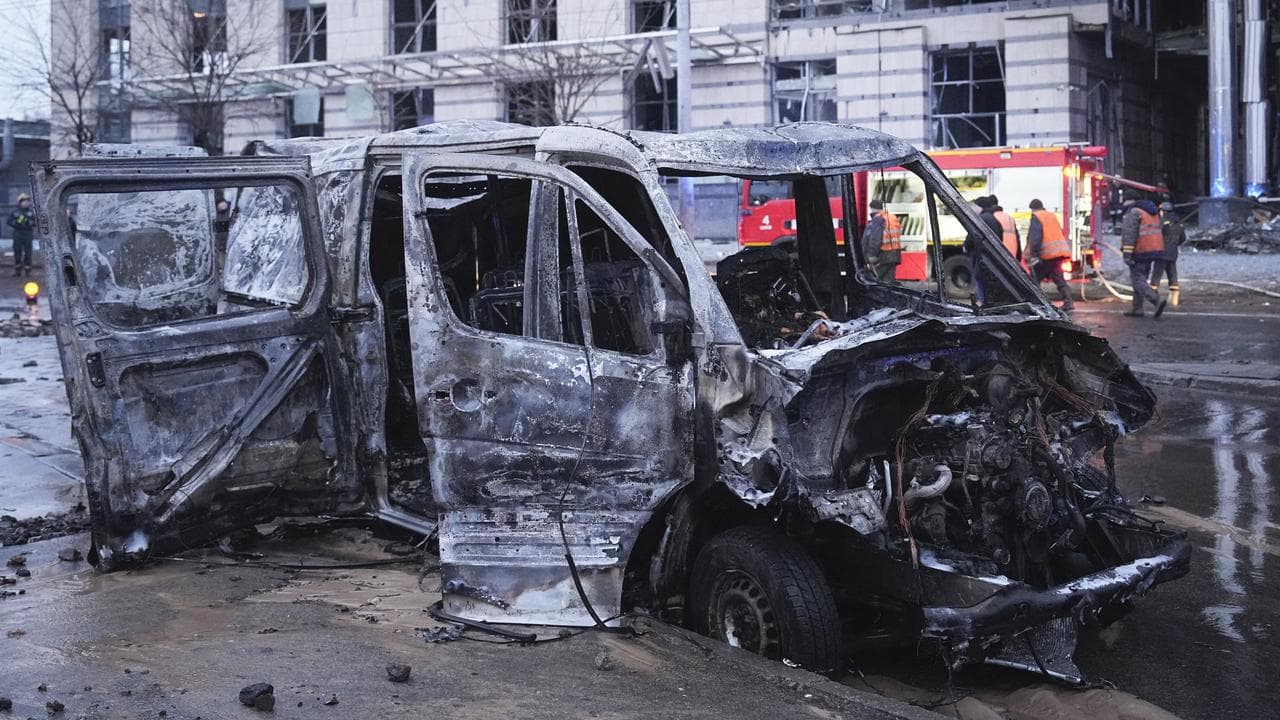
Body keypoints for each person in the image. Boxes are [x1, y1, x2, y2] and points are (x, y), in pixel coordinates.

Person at [1024, 199, 1074, 311]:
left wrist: (1035, 255)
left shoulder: (1036, 216)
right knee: (1059, 278)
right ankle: (1068, 301)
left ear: (1033, 209)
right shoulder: (1052, 215)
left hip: (1046, 255)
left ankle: (1036, 303)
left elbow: (1036, 237)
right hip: (1058, 253)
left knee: (1034, 280)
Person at [1120, 198, 1167, 318]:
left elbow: (1129, 235)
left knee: (1137, 279)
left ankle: (1156, 299)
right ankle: (1137, 309)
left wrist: (1127, 255)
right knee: (1141, 278)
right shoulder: (1150, 211)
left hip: (1140, 250)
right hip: (1153, 249)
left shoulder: (1133, 213)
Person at [964, 195, 1004, 305]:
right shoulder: (993, 218)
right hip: (990, 255)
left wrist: (966, 246)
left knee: (979, 277)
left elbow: (973, 235)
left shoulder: (981, 219)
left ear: (980, 206)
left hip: (981, 254)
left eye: (975, 206)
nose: (973, 209)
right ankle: (987, 301)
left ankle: (982, 301)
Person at [861, 199, 901, 283]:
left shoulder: (878, 219)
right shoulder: (891, 217)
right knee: (888, 282)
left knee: (873, 279)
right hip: (895, 254)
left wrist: (871, 255)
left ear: (872, 208)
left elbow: (875, 239)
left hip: (883, 255)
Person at [1155, 201, 1185, 307]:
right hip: (1173, 253)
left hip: (1162, 252)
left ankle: (1153, 299)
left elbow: (1157, 236)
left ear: (1163, 211)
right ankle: (1174, 300)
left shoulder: (1162, 222)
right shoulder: (1179, 222)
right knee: (1173, 276)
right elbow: (1183, 238)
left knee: (1156, 276)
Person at [6, 193, 36, 277]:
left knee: (28, 252)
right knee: (17, 251)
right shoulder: (15, 212)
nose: (26, 203)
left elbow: (36, 223)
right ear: (20, 202)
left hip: (28, 234)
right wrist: (16, 223)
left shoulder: (31, 213)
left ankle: (27, 270)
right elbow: (9, 221)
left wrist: (29, 223)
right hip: (18, 233)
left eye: (27, 201)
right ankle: (17, 270)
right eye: (24, 201)